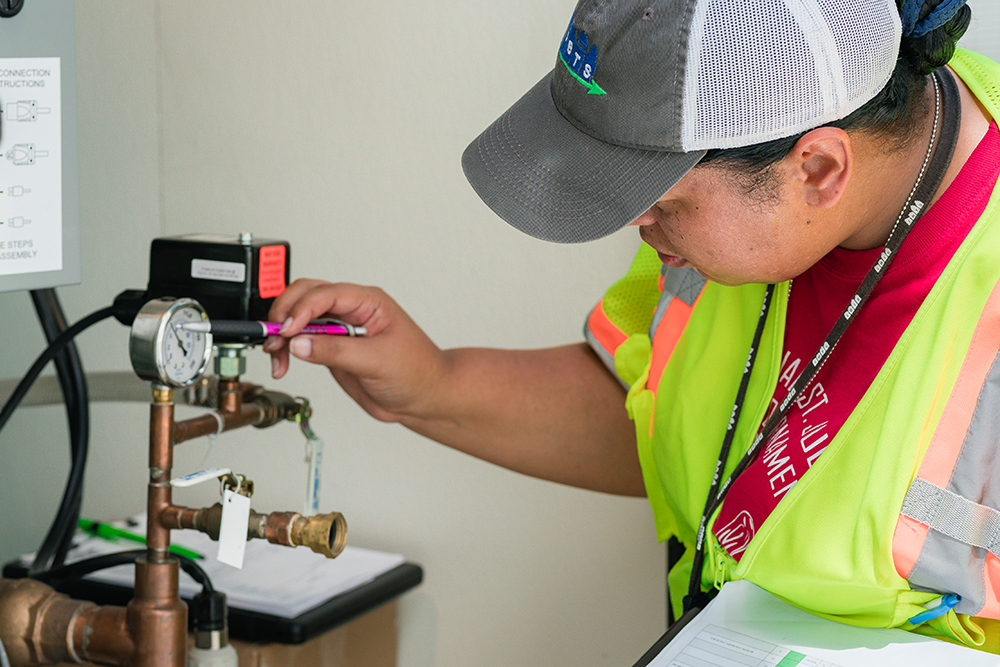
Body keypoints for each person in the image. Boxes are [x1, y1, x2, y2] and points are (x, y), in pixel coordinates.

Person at [265, 0, 1000, 653]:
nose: (635, 225)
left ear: (815, 169)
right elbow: (660, 413)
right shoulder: (734, 230)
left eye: (660, 201)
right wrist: (430, 384)